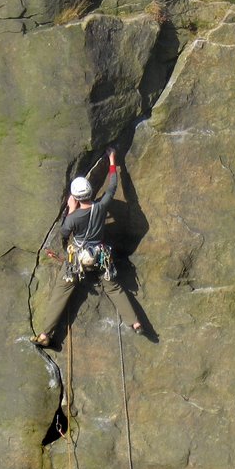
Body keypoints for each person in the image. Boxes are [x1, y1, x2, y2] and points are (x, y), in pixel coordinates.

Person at [31, 148, 143, 347]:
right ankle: (134, 322)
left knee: (61, 291)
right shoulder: (101, 207)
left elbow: (64, 234)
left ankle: (45, 334)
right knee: (114, 288)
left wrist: (70, 210)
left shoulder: (73, 218)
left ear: (74, 196)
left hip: (77, 260)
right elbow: (112, 186)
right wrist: (111, 160)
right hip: (100, 257)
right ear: (91, 192)